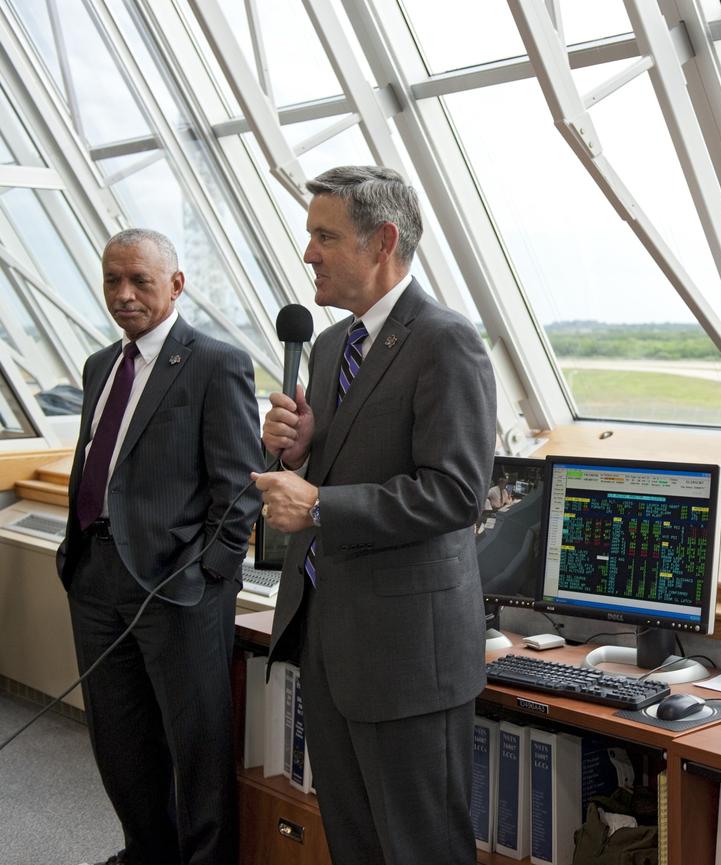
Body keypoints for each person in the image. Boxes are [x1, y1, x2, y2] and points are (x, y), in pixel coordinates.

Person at [255, 165, 496, 864]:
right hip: (330, 641)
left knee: (418, 850)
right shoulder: (332, 346)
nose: (309, 253)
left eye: (324, 236)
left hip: (408, 657)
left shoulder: (447, 342)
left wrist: (320, 503)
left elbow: (455, 492)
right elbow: (345, 464)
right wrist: (303, 450)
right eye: (310, 236)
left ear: (382, 240)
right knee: (356, 844)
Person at [59, 228, 261, 865]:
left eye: (139, 280)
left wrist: (207, 575)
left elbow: (239, 488)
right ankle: (144, 853)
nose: (123, 294)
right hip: (94, 576)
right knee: (118, 738)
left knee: (196, 750)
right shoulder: (101, 365)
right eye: (112, 280)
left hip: (179, 587)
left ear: (175, 284)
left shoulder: (215, 362)